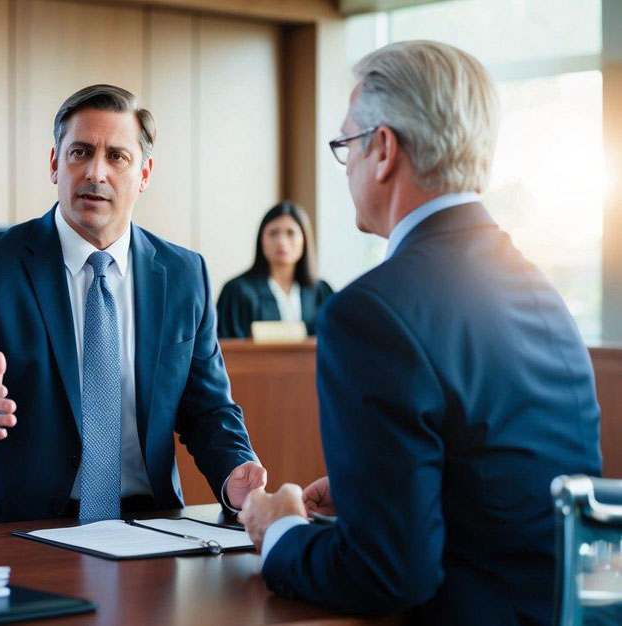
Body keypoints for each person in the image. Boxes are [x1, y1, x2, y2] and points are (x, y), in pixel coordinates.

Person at [240, 41, 602, 624]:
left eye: (347, 146)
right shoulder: (544, 294)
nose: (346, 167)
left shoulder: (370, 313)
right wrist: (377, 484)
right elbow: (510, 485)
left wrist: (278, 530)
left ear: (383, 150)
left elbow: (386, 574)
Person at [0, 84, 266, 528]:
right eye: (80, 153)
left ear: (144, 174)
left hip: (145, 527)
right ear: (55, 164)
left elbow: (208, 409)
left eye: (117, 156)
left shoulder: (184, 275)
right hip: (10, 527)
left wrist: (234, 473)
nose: (96, 172)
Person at [216, 202, 333, 338]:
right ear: (261, 240)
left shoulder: (321, 292)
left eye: (290, 233)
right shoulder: (237, 291)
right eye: (273, 233)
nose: (281, 241)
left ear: (304, 240)